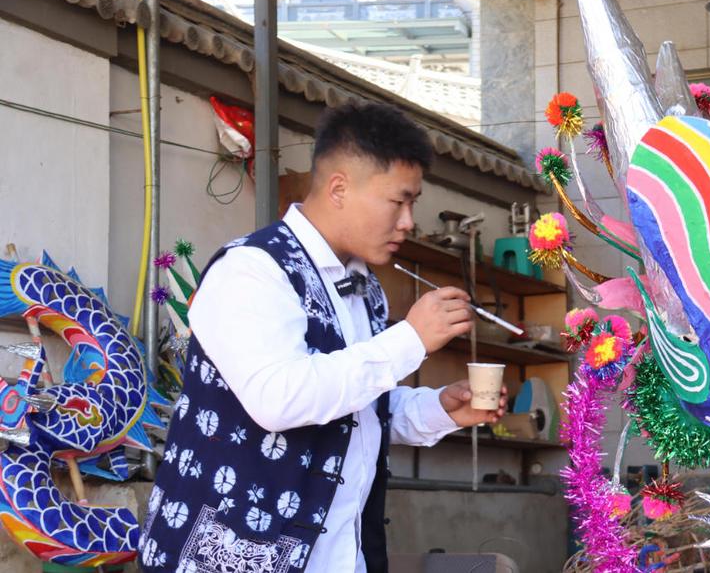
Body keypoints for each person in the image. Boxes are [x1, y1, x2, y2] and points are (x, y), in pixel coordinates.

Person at [139, 102, 506, 573]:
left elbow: (354, 409)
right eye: (398, 201)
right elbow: (279, 399)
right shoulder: (252, 269)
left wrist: (441, 409)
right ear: (339, 189)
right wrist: (411, 339)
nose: (408, 222)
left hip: (339, 556)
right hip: (231, 555)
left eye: (412, 203)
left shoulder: (364, 286)